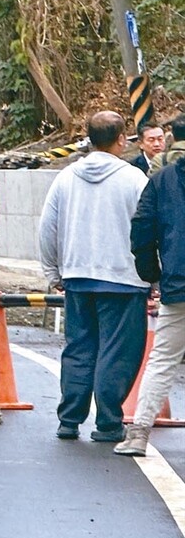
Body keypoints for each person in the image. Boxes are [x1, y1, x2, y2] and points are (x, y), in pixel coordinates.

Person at [38, 111, 150, 442]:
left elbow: (48, 227)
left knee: (79, 347)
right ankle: (108, 422)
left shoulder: (65, 177)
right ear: (121, 139)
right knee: (118, 351)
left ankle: (69, 419)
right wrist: (154, 276)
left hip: (76, 277)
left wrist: (52, 271)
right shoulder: (134, 180)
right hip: (124, 279)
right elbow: (147, 230)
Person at [118, 124, 185, 455]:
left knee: (163, 359)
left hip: (178, 284)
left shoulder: (161, 181)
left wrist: (153, 275)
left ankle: (139, 431)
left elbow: (141, 230)